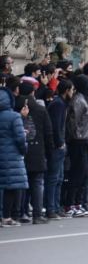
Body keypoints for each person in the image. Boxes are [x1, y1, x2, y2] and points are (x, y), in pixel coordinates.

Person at [19, 84, 54, 224]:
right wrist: (50, 151)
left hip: (20, 150)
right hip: (38, 150)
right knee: (37, 182)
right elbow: (48, 132)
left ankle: (20, 212)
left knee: (21, 184)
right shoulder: (40, 109)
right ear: (33, 92)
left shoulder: (14, 107)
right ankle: (37, 214)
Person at [65, 74, 88, 217]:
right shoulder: (78, 101)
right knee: (77, 174)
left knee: (82, 174)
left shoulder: (82, 99)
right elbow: (73, 123)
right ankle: (70, 204)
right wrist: (78, 138)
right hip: (78, 142)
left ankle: (77, 203)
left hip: (83, 141)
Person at [0, 86, 28, 227]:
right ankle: (7, 217)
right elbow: (20, 139)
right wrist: (24, 150)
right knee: (11, 187)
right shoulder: (14, 116)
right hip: (11, 156)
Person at [45, 79, 73, 219]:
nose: (73, 93)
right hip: (57, 147)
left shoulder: (62, 103)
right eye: (72, 90)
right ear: (67, 90)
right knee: (53, 178)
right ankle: (51, 208)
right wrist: (60, 142)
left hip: (60, 146)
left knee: (59, 178)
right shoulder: (58, 104)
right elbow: (55, 126)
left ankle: (56, 207)